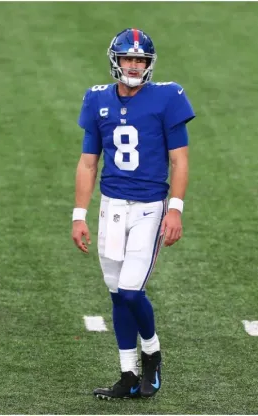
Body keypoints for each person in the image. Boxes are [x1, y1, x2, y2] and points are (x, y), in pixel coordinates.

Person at [71, 27, 195, 399]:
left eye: (141, 59)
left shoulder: (168, 97)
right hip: (112, 207)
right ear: (116, 60)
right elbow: (88, 163)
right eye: (129, 58)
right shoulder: (96, 100)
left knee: (129, 291)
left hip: (149, 208)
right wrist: (79, 214)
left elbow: (180, 160)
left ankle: (152, 353)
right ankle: (128, 374)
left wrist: (175, 209)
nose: (135, 65)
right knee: (116, 294)